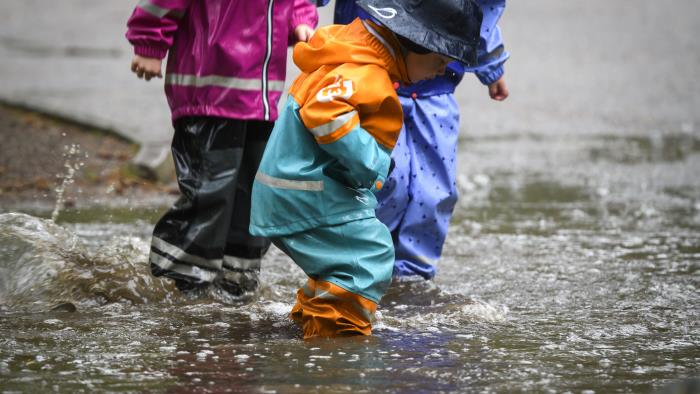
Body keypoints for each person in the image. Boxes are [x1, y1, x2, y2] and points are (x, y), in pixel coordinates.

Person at [249, 0, 484, 338]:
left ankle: (314, 318)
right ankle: (338, 338)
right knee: (369, 252)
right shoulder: (366, 70)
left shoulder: (356, 53)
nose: (442, 70)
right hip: (305, 190)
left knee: (341, 260)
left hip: (298, 185)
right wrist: (372, 163)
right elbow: (325, 110)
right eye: (439, 60)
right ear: (413, 44)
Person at [125, 0, 318, 299]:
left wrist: (301, 19)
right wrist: (148, 43)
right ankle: (182, 281)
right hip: (209, 91)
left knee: (255, 193)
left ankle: (236, 278)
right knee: (210, 190)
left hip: (260, 98)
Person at [334, 0, 510, 281]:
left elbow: (477, 9)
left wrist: (491, 65)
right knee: (384, 180)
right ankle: (363, 265)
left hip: (437, 88)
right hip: (375, 78)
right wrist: (298, 14)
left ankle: (412, 278)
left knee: (435, 192)